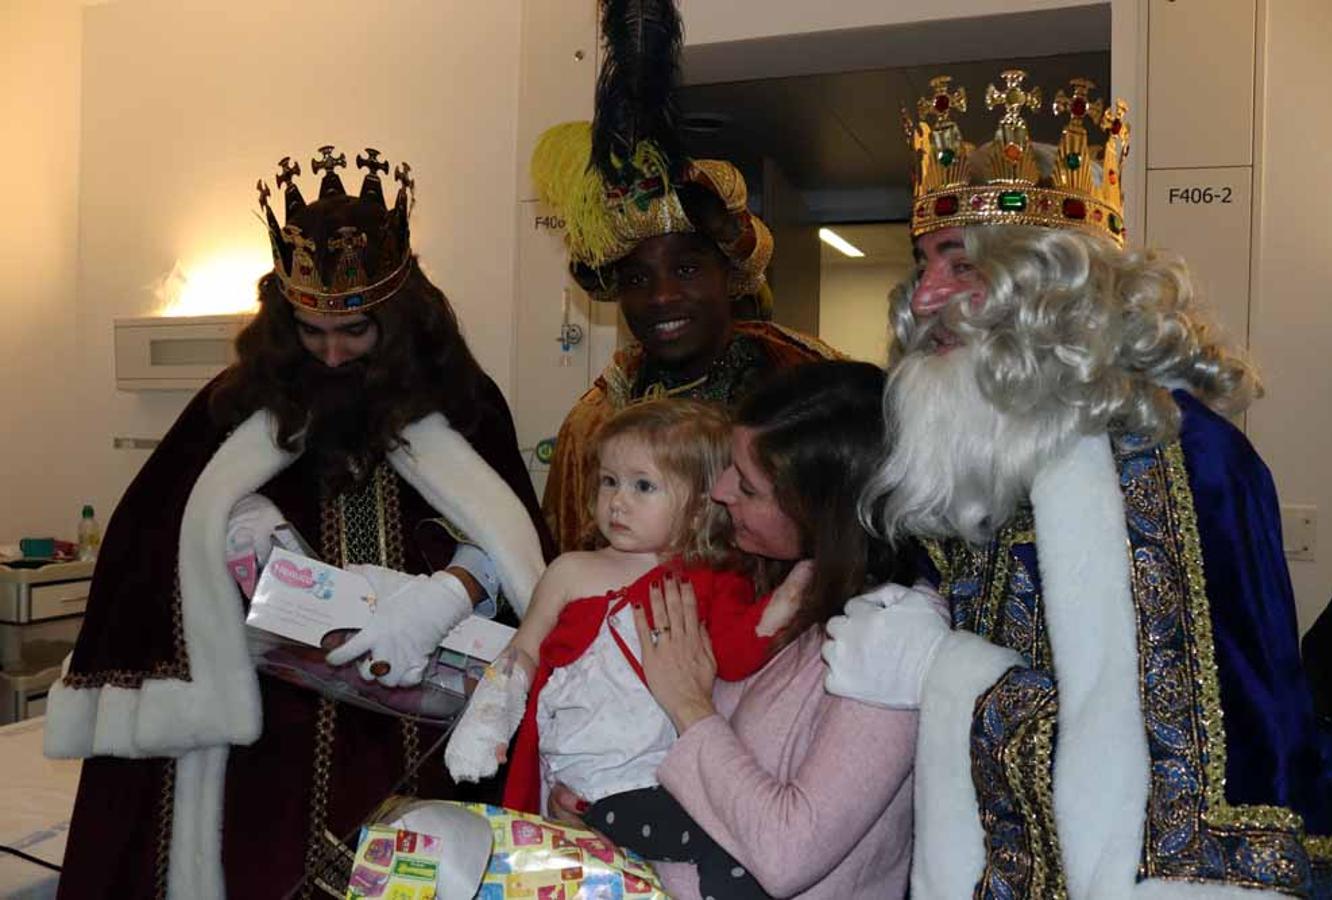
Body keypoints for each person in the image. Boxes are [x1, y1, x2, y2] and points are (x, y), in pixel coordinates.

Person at [823, 71, 1332, 896]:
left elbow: (1199, 764)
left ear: (1048, 281)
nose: (923, 298)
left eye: (959, 265)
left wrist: (936, 668)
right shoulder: (984, 463)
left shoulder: (1172, 454)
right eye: (921, 265)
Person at [43, 146, 551, 899]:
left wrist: (453, 585)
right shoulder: (232, 406)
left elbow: (517, 546)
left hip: (413, 716)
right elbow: (144, 546)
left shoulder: (466, 404)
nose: (334, 352)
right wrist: (219, 535)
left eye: (356, 332)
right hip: (269, 734)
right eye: (312, 334)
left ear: (402, 319)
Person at [546, 361, 930, 899]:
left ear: (821, 509)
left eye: (748, 486)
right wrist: (598, 814)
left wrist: (688, 705)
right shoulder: (768, 579)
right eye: (728, 467)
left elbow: (786, 851)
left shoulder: (891, 640)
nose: (721, 491)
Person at [448, 399, 798, 898]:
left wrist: (783, 604)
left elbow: (739, 656)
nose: (617, 501)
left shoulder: (716, 579)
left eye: (643, 486)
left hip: (661, 775)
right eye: (608, 481)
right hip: (581, 771)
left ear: (701, 502)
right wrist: (487, 719)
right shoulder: (570, 570)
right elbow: (521, 653)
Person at [533, 0, 837, 553]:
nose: (662, 296)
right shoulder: (595, 421)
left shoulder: (804, 386)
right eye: (636, 279)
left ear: (730, 273)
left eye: (688, 268)